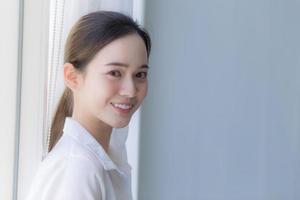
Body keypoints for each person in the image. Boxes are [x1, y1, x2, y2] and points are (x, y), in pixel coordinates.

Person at [25, 10, 151, 200]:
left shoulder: (108, 155)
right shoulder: (78, 168)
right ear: (72, 77)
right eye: (115, 73)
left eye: (140, 74)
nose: (131, 90)